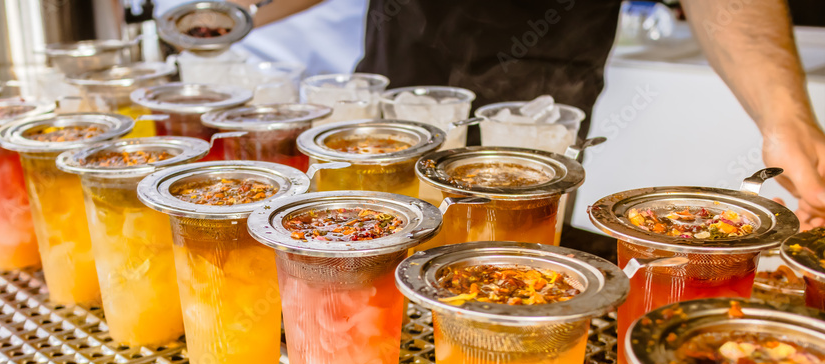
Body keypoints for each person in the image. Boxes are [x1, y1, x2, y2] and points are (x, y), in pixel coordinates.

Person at [233, 0, 825, 228]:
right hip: (398, 104)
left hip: (545, 111)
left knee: (518, 266)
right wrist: (236, 12)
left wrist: (786, 122)